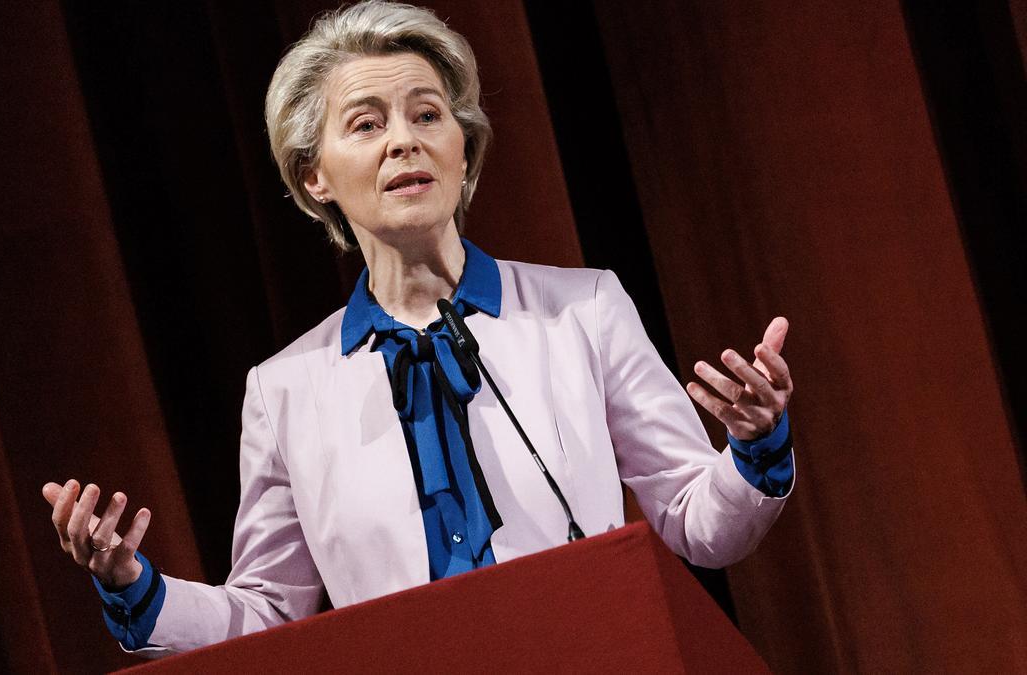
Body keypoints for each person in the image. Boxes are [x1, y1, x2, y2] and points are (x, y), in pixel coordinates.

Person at [42, 0, 795, 657]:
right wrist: (137, 586)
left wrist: (755, 446)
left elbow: (702, 525)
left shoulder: (583, 309)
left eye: (428, 115)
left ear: (462, 151)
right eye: (366, 124)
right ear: (315, 175)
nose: (404, 140)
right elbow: (268, 613)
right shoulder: (285, 390)